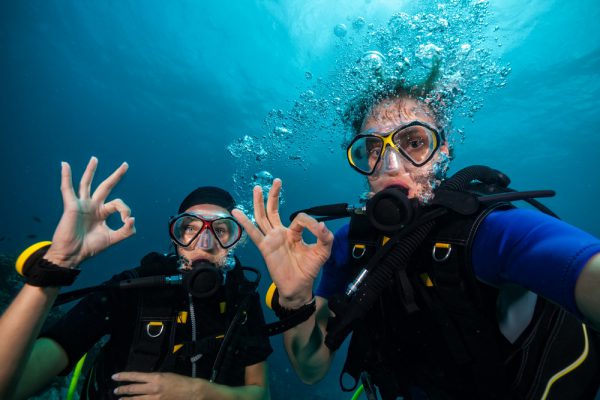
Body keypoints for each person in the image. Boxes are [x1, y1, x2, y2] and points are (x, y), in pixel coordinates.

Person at [232, 78, 600, 399]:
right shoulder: (344, 244)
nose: (391, 165)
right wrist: (295, 301)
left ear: (442, 152)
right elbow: (311, 369)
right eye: (373, 150)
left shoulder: (487, 231)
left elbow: (586, 270)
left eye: (413, 142)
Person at [0, 157, 272, 400]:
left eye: (221, 230)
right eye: (189, 227)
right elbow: (8, 388)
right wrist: (59, 264)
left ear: (236, 241)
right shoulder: (131, 288)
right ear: (175, 237)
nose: (203, 242)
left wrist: (200, 393)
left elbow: (261, 394)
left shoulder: (242, 299)